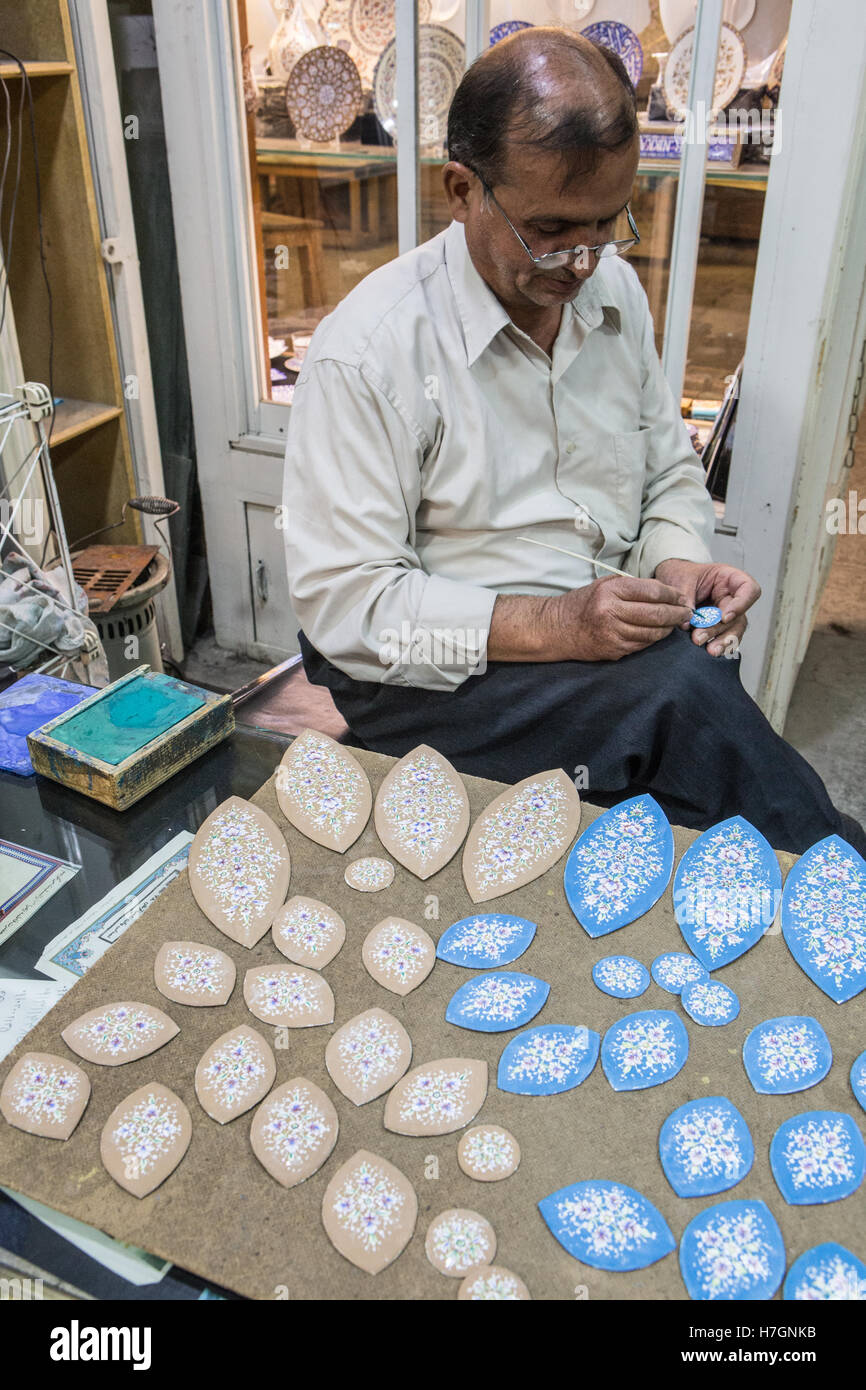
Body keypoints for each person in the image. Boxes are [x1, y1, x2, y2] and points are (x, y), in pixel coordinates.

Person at [283, 27, 864, 856]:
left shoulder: (611, 289)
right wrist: (557, 625)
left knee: (693, 719)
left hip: (600, 637)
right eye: (551, 228)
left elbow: (667, 469)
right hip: (428, 672)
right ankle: (839, 870)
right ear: (460, 189)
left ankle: (802, 873)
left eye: (607, 223)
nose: (582, 262)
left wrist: (675, 564)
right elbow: (352, 610)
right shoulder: (370, 353)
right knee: (678, 697)